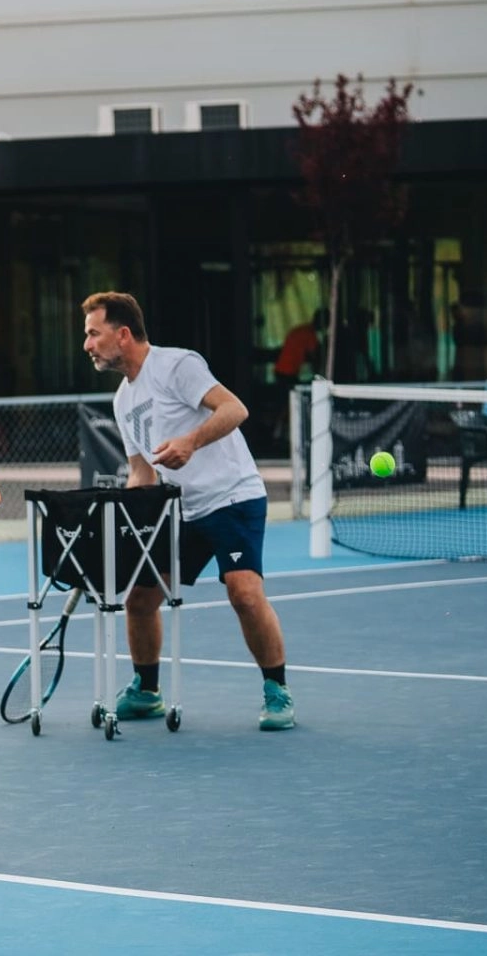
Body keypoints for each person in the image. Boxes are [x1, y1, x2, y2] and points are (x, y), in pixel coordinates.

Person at [80, 292, 295, 731]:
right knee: (139, 600)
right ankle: (147, 690)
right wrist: (125, 520)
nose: (87, 344)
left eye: (93, 333)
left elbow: (235, 408)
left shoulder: (176, 365)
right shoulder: (123, 401)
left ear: (122, 335)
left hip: (231, 496)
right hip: (178, 510)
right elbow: (140, 473)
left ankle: (277, 691)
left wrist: (190, 442)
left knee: (244, 593)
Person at [272, 309, 325, 383]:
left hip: (282, 370)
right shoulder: (309, 334)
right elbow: (315, 355)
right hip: (287, 372)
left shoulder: (301, 329)